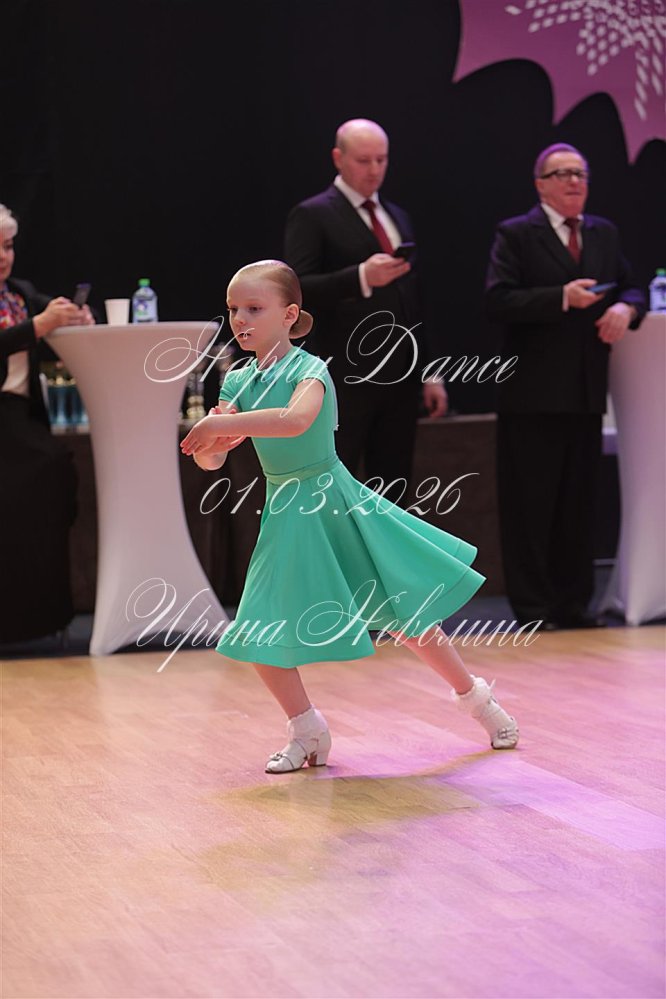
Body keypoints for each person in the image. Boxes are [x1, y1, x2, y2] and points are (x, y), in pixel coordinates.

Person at [181, 260, 518, 774]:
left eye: (253, 308)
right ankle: (307, 729)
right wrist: (213, 442)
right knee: (258, 627)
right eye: (233, 310)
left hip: (336, 504)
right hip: (286, 513)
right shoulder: (239, 379)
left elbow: (295, 421)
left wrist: (219, 426)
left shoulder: (310, 371)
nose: (240, 320)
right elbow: (214, 458)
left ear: (289, 314)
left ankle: (479, 701)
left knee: (407, 616)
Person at [485, 144, 646, 630]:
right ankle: (534, 608)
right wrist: (560, 297)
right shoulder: (516, 233)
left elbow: (631, 284)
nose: (575, 181)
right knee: (532, 504)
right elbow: (498, 300)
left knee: (579, 503)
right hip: (532, 393)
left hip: (585, 391)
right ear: (541, 184)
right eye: (563, 174)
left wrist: (627, 307)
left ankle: (573, 604)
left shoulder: (603, 232)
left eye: (581, 173)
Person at [284, 119, 446, 495]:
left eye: (381, 160)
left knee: (394, 489)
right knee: (335, 484)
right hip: (345, 375)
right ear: (338, 158)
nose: (374, 170)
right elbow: (296, 288)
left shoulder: (397, 216)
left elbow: (414, 302)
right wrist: (360, 277)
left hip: (400, 376)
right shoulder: (313, 214)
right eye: (363, 160)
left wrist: (431, 371)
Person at [0, 203, 94, 642]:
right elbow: (35, 327)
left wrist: (74, 318)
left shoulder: (19, 293)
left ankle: (43, 616)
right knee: (36, 474)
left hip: (20, 418)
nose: (4, 256)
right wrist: (39, 325)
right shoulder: (25, 307)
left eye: (7, 246)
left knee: (54, 472)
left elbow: (54, 318)